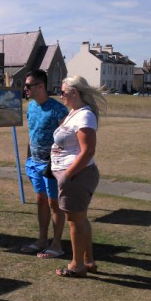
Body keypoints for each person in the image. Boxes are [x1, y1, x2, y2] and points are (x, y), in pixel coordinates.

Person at [51, 75, 106, 277]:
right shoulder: (75, 112)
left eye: (63, 91)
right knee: (79, 218)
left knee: (75, 220)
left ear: (74, 92)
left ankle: (77, 266)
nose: (60, 95)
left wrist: (67, 174)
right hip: (73, 175)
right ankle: (88, 261)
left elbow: (88, 151)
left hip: (77, 177)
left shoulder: (84, 116)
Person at [21, 69, 68, 259]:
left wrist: (61, 166)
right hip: (34, 163)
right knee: (40, 201)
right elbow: (32, 134)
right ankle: (42, 240)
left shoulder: (58, 110)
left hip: (51, 166)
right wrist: (27, 159)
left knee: (54, 204)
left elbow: (67, 140)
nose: (25, 89)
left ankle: (56, 245)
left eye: (28, 85)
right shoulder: (31, 107)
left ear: (41, 86)